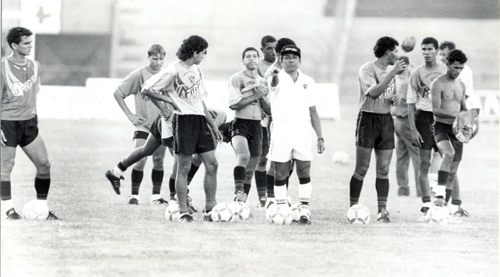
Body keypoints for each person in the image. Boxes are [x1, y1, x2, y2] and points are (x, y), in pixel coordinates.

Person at [141, 35, 221, 222]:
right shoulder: (172, 70)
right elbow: (146, 89)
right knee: (183, 167)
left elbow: (200, 101)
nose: (204, 56)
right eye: (203, 53)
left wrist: (212, 126)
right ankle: (183, 211)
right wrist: (168, 100)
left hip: (200, 121)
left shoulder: (197, 70)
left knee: (212, 164)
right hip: (183, 121)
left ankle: (211, 208)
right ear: (194, 53)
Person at [0, 27, 59, 220]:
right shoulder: (3, 68)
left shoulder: (35, 66)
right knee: (6, 167)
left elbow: (33, 95)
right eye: (25, 43)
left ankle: (42, 209)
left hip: (29, 123)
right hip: (7, 123)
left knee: (44, 164)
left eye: (30, 42)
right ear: (14, 45)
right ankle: (8, 210)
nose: (30, 46)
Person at [266, 44, 325, 225]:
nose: (290, 60)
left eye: (294, 57)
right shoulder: (276, 76)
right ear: (281, 61)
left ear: (299, 60)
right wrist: (275, 73)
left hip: (302, 129)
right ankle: (282, 207)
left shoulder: (308, 81)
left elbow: (313, 111)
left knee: (304, 169)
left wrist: (320, 137)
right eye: (286, 58)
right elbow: (274, 84)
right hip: (282, 129)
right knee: (281, 171)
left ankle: (304, 208)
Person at [349, 36, 406, 223]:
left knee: (383, 169)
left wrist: (394, 99)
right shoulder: (367, 69)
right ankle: (353, 208)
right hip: (368, 120)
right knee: (362, 168)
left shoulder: (391, 72)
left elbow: (388, 95)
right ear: (388, 52)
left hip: (386, 121)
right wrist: (393, 74)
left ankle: (382, 211)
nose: (397, 55)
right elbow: (373, 93)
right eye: (395, 51)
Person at [111, 44, 169, 205]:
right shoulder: (139, 74)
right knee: (141, 158)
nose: (158, 62)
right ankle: (134, 196)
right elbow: (118, 93)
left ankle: (155, 196)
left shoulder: (167, 74)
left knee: (158, 160)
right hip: (143, 124)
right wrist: (130, 115)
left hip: (161, 125)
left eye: (161, 59)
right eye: (154, 58)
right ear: (148, 57)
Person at [406, 37, 447, 217]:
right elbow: (410, 103)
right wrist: (413, 129)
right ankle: (426, 203)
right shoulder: (416, 73)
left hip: (443, 119)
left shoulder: (445, 71)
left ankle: (442, 198)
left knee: (445, 159)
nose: (426, 52)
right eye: (423, 49)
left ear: (437, 51)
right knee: (424, 163)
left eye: (430, 49)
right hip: (423, 119)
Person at [228, 47, 271, 203]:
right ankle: (238, 190)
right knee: (243, 156)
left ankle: (241, 203)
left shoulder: (263, 82)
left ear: (258, 60)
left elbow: (269, 110)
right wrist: (255, 95)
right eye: (248, 56)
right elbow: (233, 105)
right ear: (243, 60)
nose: (252, 58)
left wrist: (261, 97)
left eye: (254, 56)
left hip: (257, 126)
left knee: (251, 167)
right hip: (240, 123)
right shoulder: (237, 78)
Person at [431, 49, 470, 216]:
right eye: (455, 67)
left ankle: (443, 208)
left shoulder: (461, 84)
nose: (458, 71)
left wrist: (469, 120)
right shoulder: (437, 83)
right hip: (441, 128)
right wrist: (456, 115)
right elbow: (436, 110)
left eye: (461, 68)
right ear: (447, 64)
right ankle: (439, 192)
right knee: (448, 153)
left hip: (457, 131)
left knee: (453, 170)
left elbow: (464, 109)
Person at [262, 37, 296, 207]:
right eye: (286, 54)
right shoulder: (273, 72)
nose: (290, 58)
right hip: (277, 122)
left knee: (290, 162)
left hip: (293, 123)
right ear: (279, 54)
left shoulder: (290, 73)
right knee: (278, 161)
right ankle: (270, 198)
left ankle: (282, 196)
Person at [390, 56, 420, 197]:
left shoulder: (396, 80)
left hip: (397, 120)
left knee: (402, 157)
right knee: (418, 156)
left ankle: (403, 189)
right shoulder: (407, 83)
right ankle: (421, 190)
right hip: (407, 121)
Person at [254, 35, 276, 207]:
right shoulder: (258, 67)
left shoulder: (281, 66)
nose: (273, 51)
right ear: (262, 50)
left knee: (279, 159)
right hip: (263, 118)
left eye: (275, 47)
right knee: (262, 159)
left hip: (279, 119)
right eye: (269, 48)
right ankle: (263, 197)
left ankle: (273, 196)